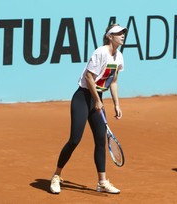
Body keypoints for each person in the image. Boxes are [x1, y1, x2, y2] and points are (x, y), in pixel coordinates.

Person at [50, 24, 128, 194]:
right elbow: (89, 77)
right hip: (82, 98)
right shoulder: (100, 52)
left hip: (97, 99)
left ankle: (102, 182)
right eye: (118, 33)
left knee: (101, 140)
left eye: (123, 33)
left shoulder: (119, 57)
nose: (122, 35)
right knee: (74, 140)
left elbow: (113, 82)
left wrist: (116, 104)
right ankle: (56, 176)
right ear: (109, 36)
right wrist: (97, 100)